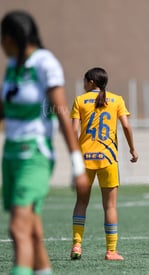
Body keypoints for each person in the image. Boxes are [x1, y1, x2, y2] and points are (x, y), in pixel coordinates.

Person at [0, 10, 88, 275]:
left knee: (18, 228)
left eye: (2, 39)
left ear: (12, 37)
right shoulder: (12, 66)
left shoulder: (44, 62)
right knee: (34, 231)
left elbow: (62, 114)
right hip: (11, 156)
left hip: (35, 156)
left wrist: (77, 164)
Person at [70, 67, 139, 261]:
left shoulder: (79, 100)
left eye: (85, 81)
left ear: (91, 82)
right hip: (108, 159)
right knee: (109, 207)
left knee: (81, 203)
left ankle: (76, 246)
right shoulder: (116, 99)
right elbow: (126, 125)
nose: (83, 84)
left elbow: (73, 130)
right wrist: (133, 149)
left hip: (84, 160)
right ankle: (111, 251)